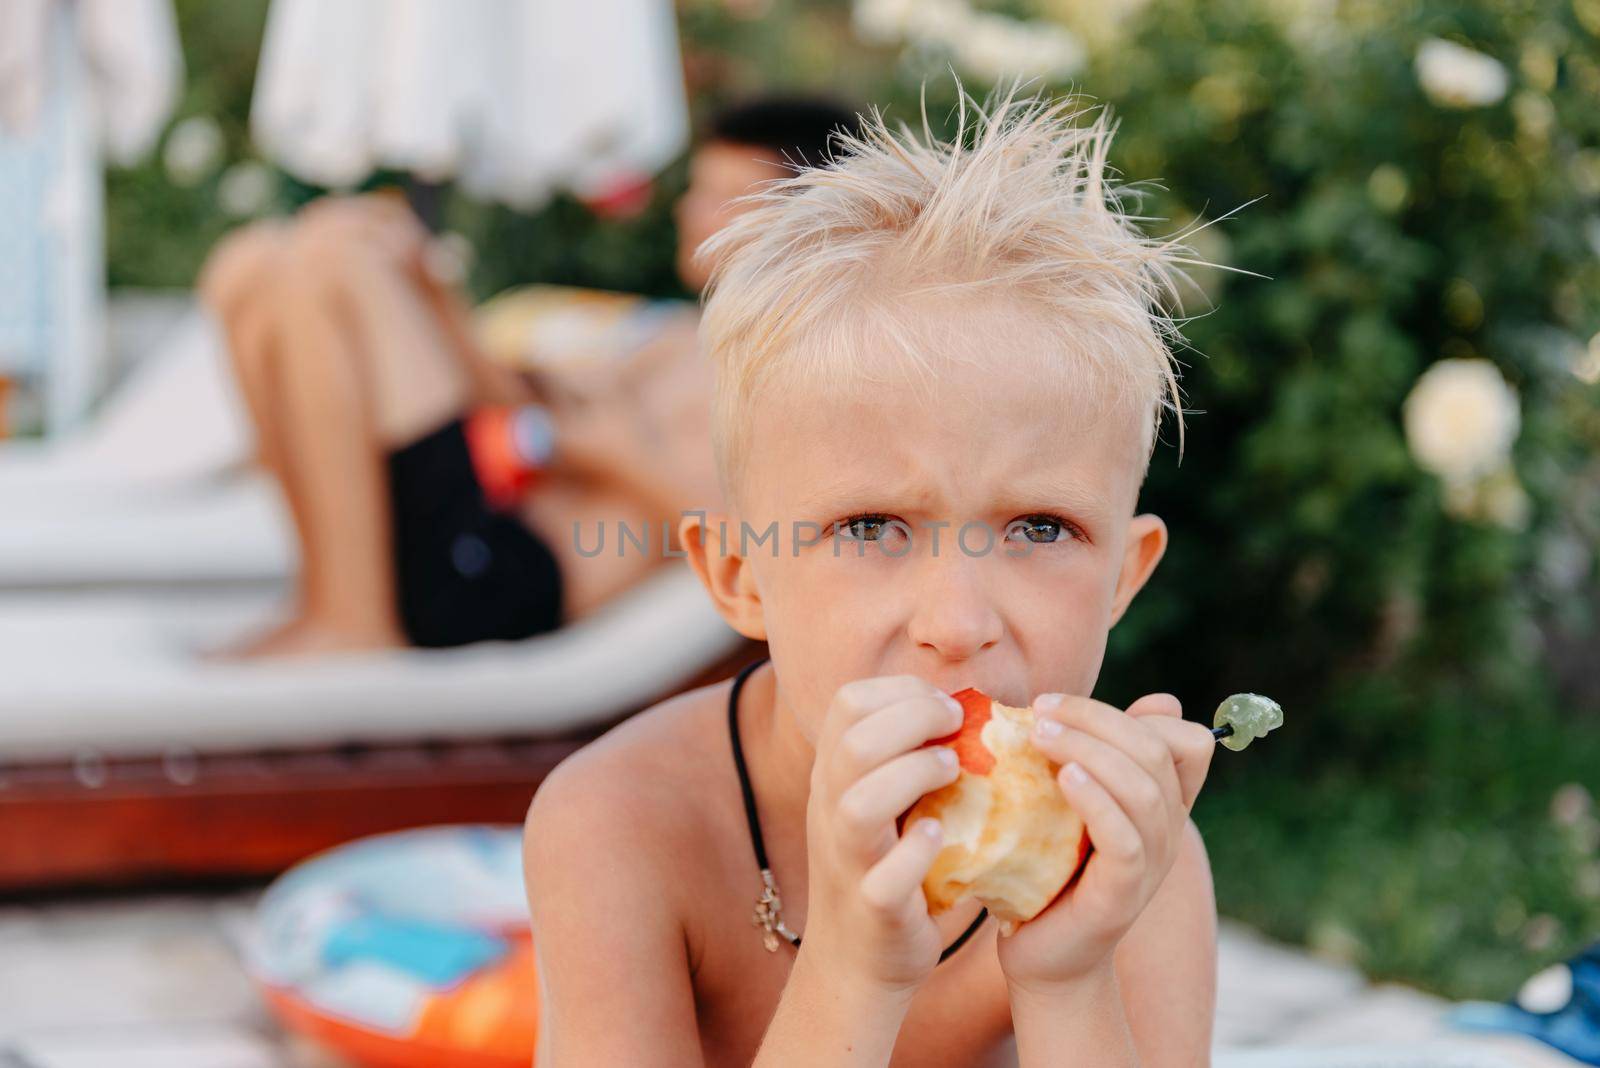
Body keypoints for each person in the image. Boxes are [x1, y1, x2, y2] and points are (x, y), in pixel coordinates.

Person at [522, 86, 1220, 1066]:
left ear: (1122, 576)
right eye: (871, 526)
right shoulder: (621, 826)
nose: (958, 621)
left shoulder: (1131, 856)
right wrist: (852, 973)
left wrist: (1069, 976)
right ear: (738, 575)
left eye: (1038, 527)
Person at [196, 96, 861, 657]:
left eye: (724, 198)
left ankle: (352, 622)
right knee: (253, 265)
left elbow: (754, 537)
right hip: (476, 536)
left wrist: (603, 451)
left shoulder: (792, 368)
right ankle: (323, 601)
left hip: (508, 578)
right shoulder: (676, 339)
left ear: (800, 216)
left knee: (331, 263)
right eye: (697, 190)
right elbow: (520, 406)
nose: (692, 212)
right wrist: (432, 294)